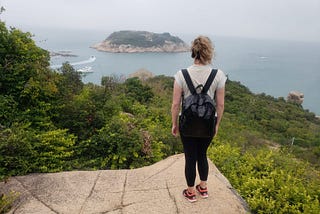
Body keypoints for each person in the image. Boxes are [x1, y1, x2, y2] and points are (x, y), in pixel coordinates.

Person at [171, 36, 227, 202]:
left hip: (187, 123)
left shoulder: (181, 75)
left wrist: (175, 123)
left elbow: (175, 104)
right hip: (208, 123)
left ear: (193, 52)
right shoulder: (218, 75)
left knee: (190, 157)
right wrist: (216, 124)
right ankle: (203, 188)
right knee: (202, 154)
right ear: (209, 52)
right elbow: (221, 105)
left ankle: (190, 192)